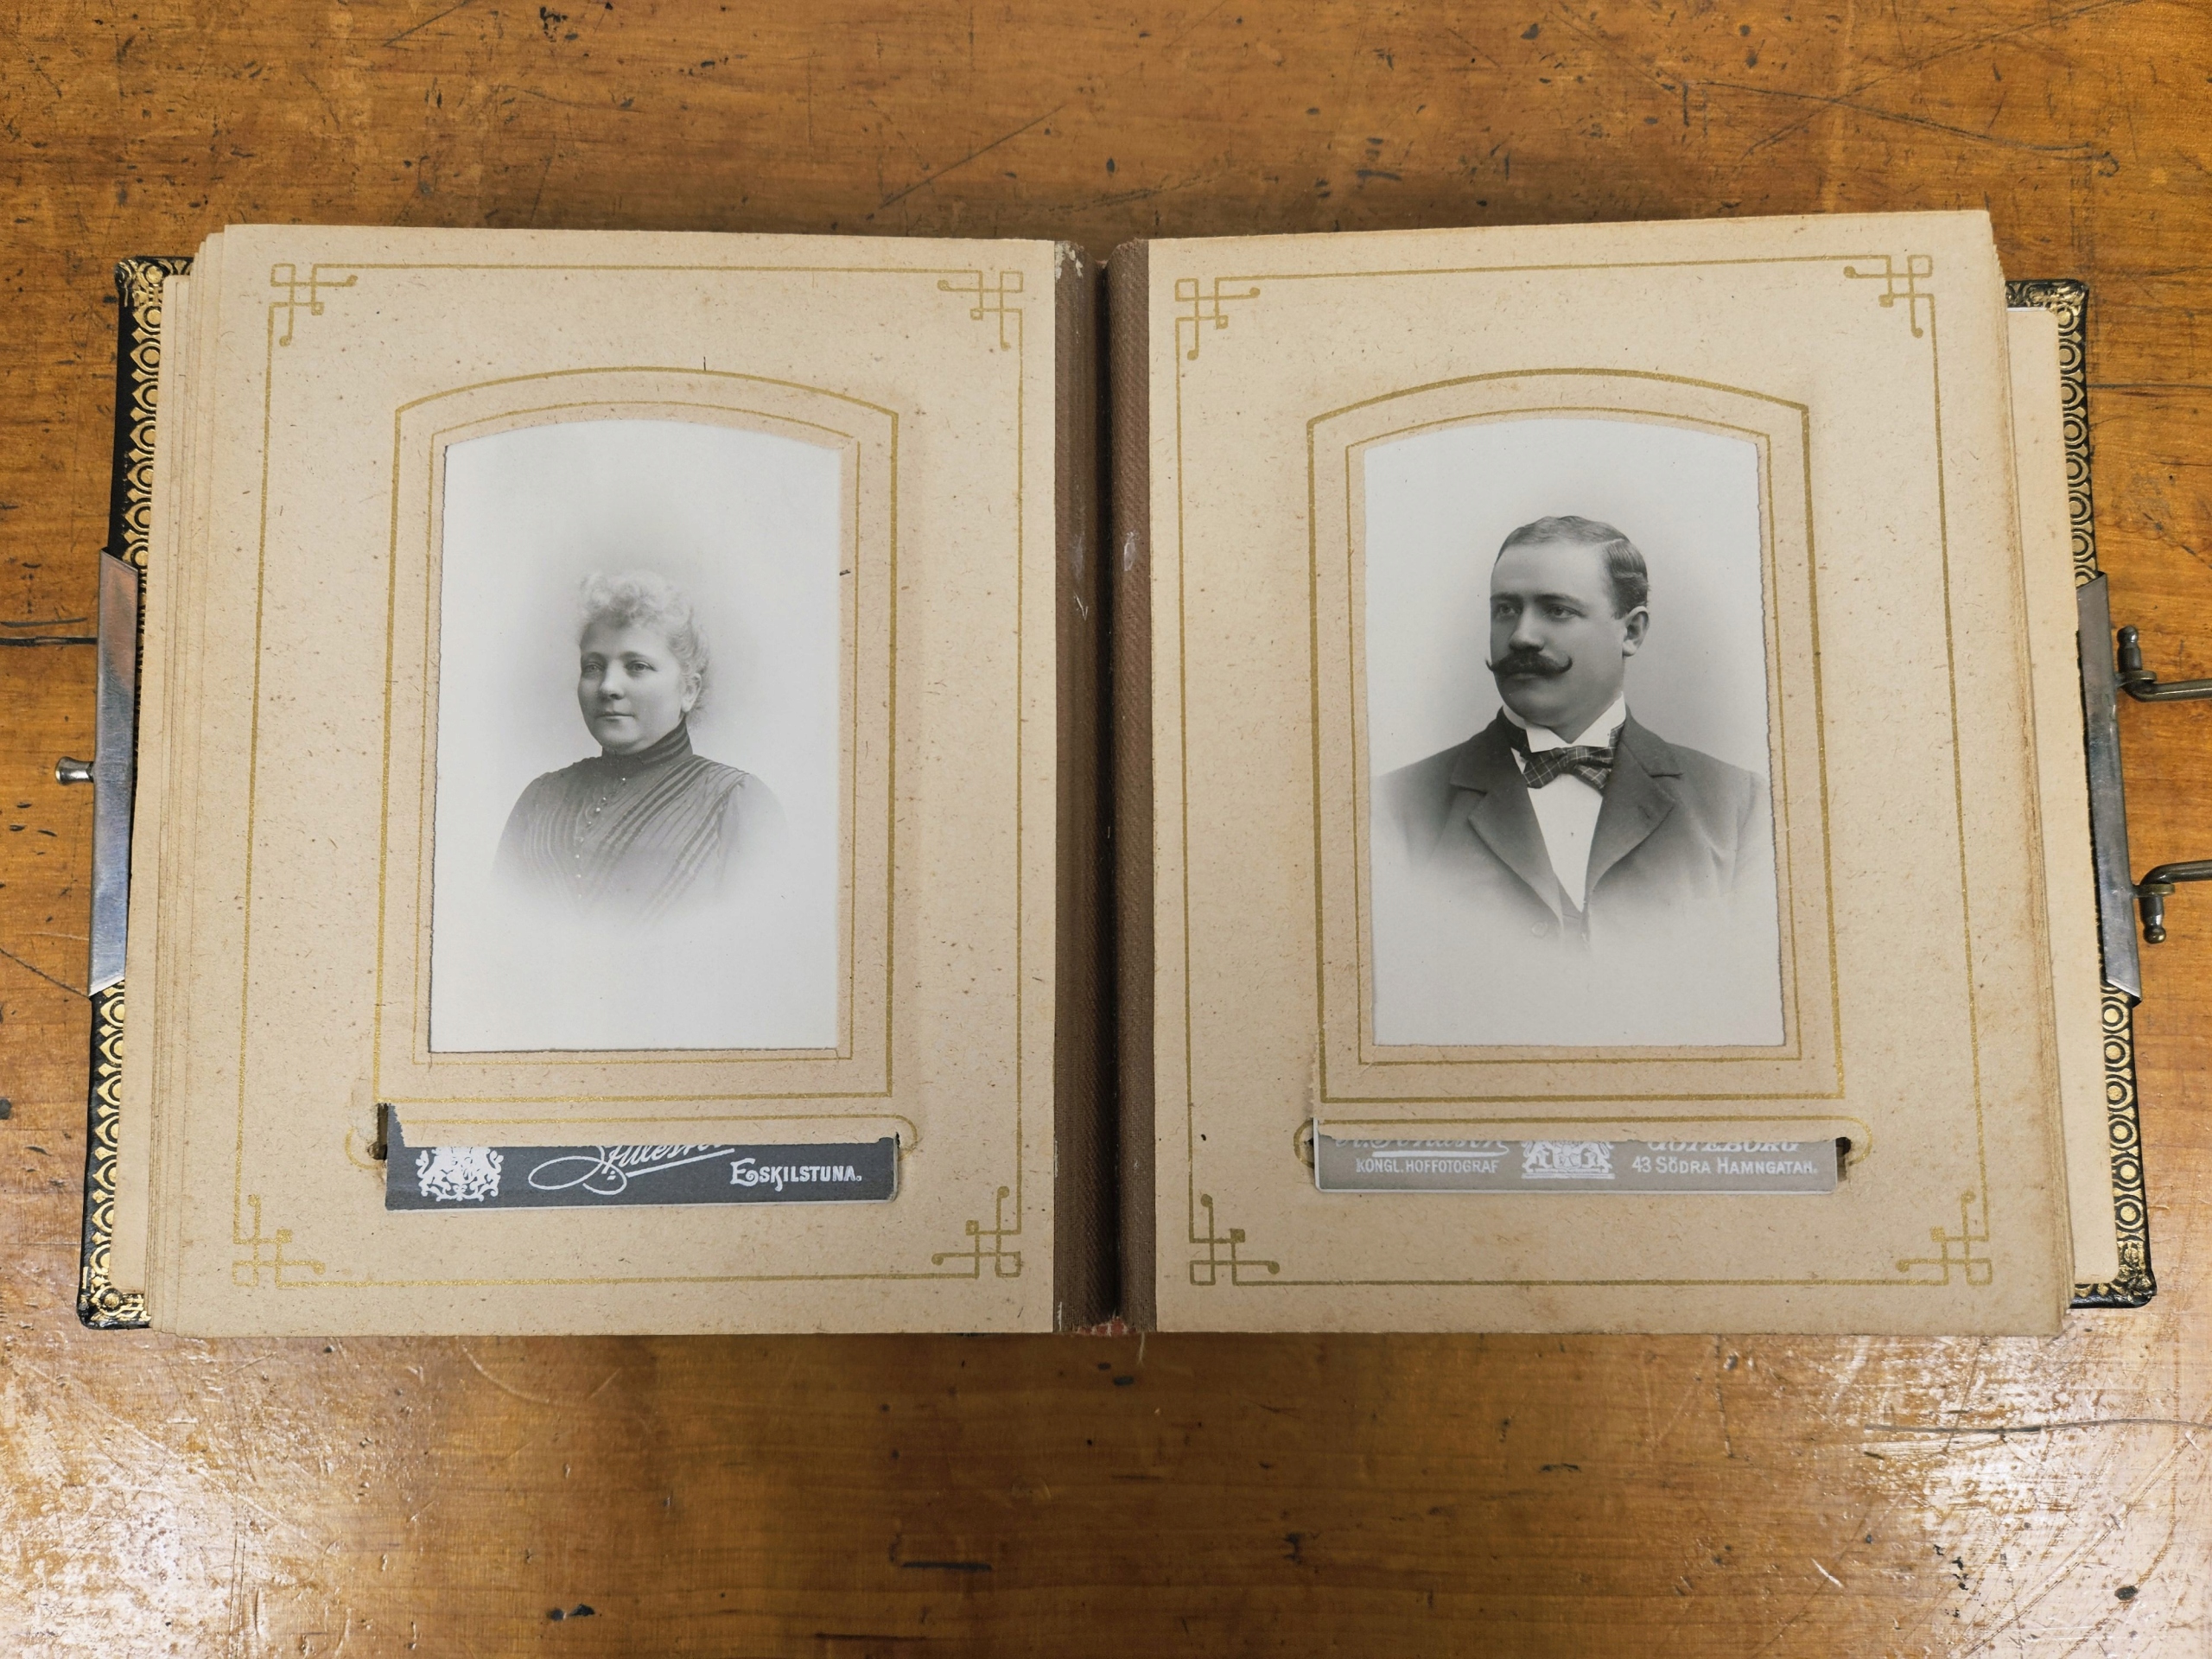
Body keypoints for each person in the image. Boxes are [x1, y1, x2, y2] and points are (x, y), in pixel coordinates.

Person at [1373, 515, 1780, 1046]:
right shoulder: (1392, 809)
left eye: (1557, 610)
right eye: (1505, 609)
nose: (1521, 636)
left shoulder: (1739, 806)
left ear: (1631, 631)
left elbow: (1755, 1007)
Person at [493, 570, 784, 924]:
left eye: (637, 666)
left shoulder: (736, 803)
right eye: (593, 667)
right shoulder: (539, 799)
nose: (608, 687)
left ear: (688, 690)